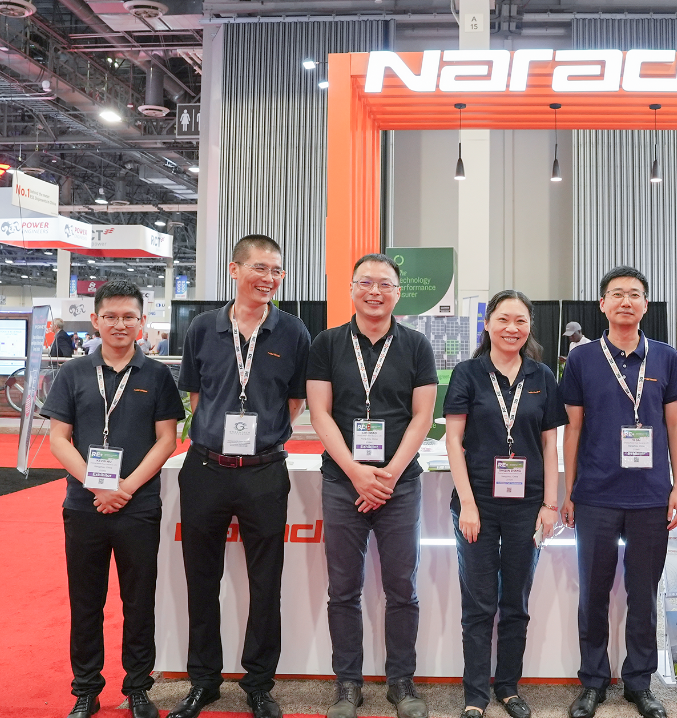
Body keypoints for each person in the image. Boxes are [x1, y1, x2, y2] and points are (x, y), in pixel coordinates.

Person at [171, 234, 311, 718]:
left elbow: (295, 401)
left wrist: (263, 437)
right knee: (200, 579)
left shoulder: (293, 332)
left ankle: (258, 683)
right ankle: (204, 681)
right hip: (205, 468)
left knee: (265, 582)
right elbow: (196, 398)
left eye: (276, 270)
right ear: (235, 270)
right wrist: (219, 434)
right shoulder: (203, 329)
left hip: (264, 471)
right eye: (259, 268)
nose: (269, 278)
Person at [40, 280, 186, 718]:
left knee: (139, 601)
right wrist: (98, 485)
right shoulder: (72, 373)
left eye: (128, 317)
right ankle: (86, 689)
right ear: (95, 320)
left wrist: (125, 488)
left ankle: (138, 687)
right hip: (84, 505)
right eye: (111, 316)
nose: (119, 324)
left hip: (138, 506)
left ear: (142, 321)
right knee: (86, 601)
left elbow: (167, 440)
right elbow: (59, 439)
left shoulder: (157, 375)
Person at [307, 253, 438, 718]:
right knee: (343, 587)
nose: (375, 291)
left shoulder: (417, 345)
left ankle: (401, 682)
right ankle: (348, 684)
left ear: (398, 293)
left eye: (385, 284)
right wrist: (357, 472)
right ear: (351, 289)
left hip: (399, 484)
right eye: (365, 282)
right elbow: (319, 412)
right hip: (343, 482)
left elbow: (423, 416)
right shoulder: (326, 343)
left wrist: (390, 474)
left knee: (402, 587)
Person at [560, 265, 677, 718]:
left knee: (643, 595)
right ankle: (593, 682)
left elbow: (676, 425)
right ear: (602, 304)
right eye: (616, 294)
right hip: (595, 494)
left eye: (634, 294)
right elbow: (573, 429)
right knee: (593, 594)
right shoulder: (581, 359)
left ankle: (639, 682)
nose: (626, 301)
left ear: (645, 304)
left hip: (651, 496)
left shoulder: (665, 357)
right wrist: (569, 490)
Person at [443, 291, 567, 718]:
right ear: (488, 324)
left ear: (530, 326)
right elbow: (453, 442)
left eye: (520, 321)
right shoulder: (468, 373)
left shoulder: (542, 375)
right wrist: (468, 504)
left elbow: (550, 446)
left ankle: (509, 688)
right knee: (479, 604)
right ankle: (476, 694)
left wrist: (550, 504)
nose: (512, 328)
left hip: (527, 506)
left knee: (515, 602)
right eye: (503, 319)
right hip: (476, 504)